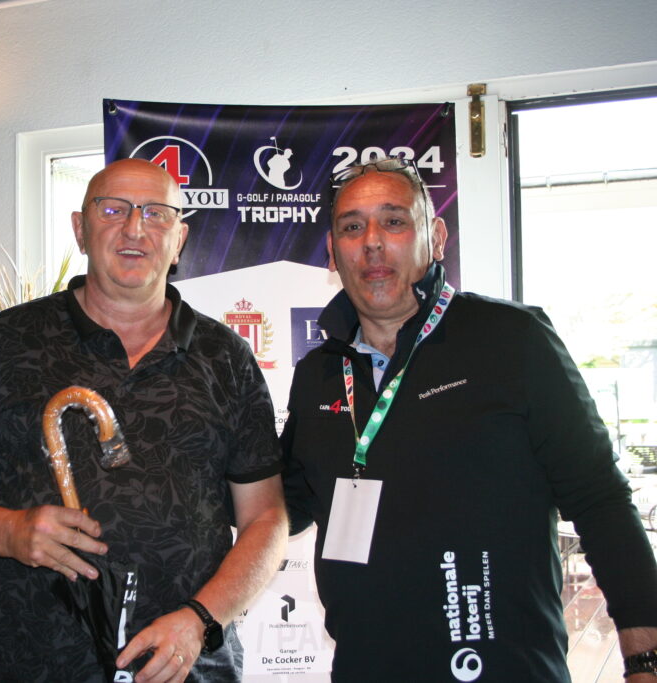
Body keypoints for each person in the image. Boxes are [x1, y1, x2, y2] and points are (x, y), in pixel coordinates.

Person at [280, 156, 657, 682]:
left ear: (435, 238)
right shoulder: (317, 374)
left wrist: (644, 658)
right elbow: (284, 508)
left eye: (394, 221)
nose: (372, 242)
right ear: (331, 252)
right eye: (352, 227)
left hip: (503, 669)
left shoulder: (512, 339)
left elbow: (600, 500)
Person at [0, 157, 288, 683]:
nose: (134, 228)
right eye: (113, 210)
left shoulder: (226, 357)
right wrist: (8, 531)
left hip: (182, 666)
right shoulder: (7, 341)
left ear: (179, 239)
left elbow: (266, 519)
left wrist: (201, 621)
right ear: (80, 229)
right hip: (23, 660)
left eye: (156, 213)